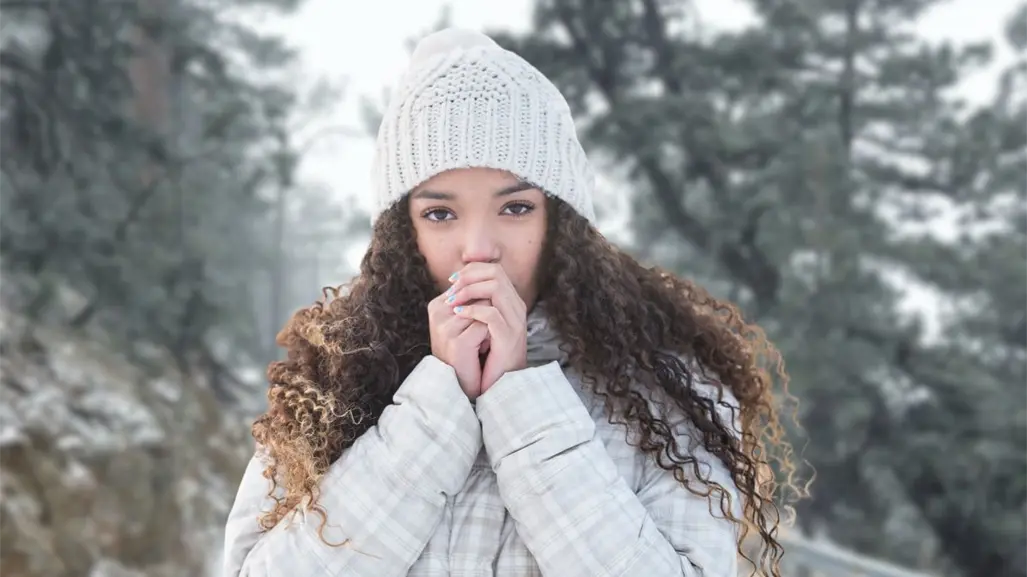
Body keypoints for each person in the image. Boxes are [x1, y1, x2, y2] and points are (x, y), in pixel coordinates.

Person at [221, 27, 799, 577]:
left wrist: (519, 400)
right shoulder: (337, 381)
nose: (479, 249)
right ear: (405, 234)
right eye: (440, 214)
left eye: (515, 208)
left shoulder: (667, 389)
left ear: (561, 222)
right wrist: (435, 409)